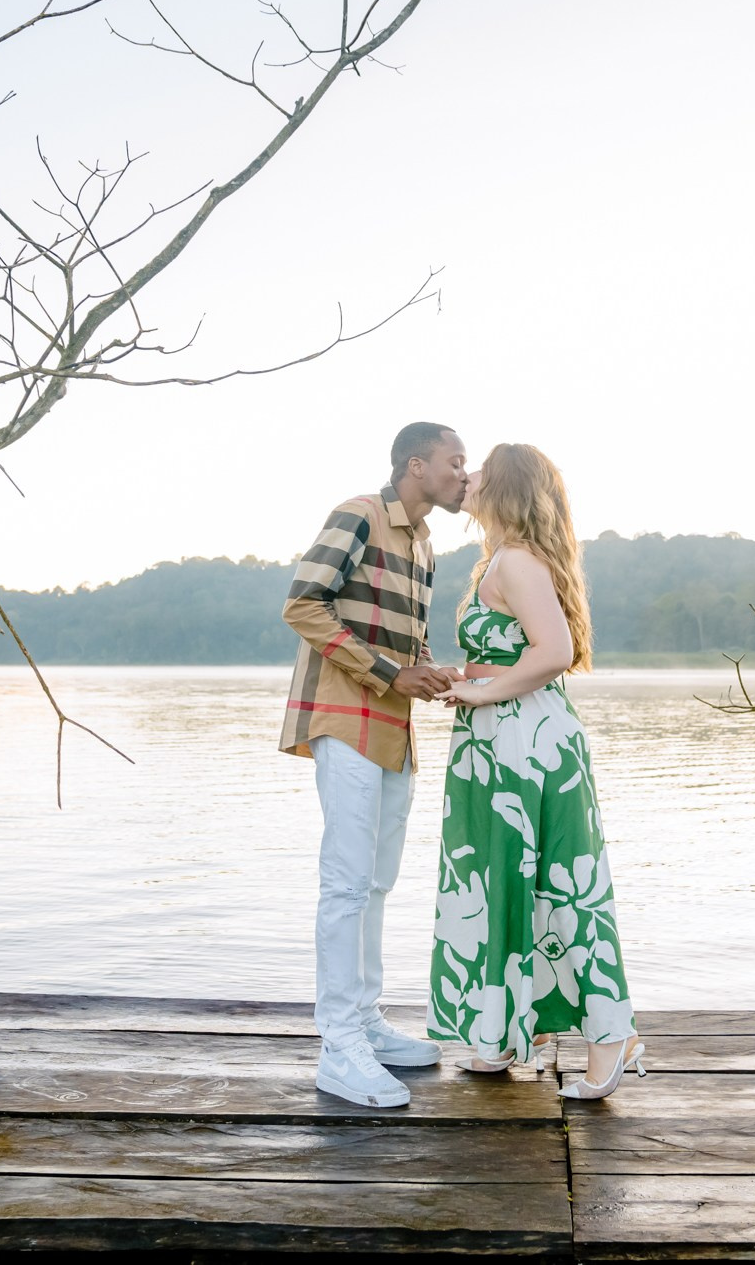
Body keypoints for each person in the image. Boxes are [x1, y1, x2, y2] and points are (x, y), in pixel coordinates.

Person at [428, 443, 644, 1100]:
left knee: (555, 884)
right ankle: (501, 1033)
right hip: (506, 738)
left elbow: (556, 651)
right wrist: (468, 675)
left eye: (480, 471)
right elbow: (519, 650)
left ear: (506, 489)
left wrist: (483, 693)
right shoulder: (500, 558)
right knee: (503, 882)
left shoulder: (517, 559)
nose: (467, 477)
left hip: (524, 743)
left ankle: (612, 1035)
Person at [282, 422, 468, 1108]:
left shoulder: (424, 543)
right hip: (346, 714)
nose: (462, 473)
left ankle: (365, 1021)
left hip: (395, 726)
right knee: (346, 883)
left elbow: (401, 647)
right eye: (454, 461)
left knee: (378, 882)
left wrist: (427, 674)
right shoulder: (358, 513)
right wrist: (393, 672)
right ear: (415, 465)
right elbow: (303, 602)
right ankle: (339, 1048)